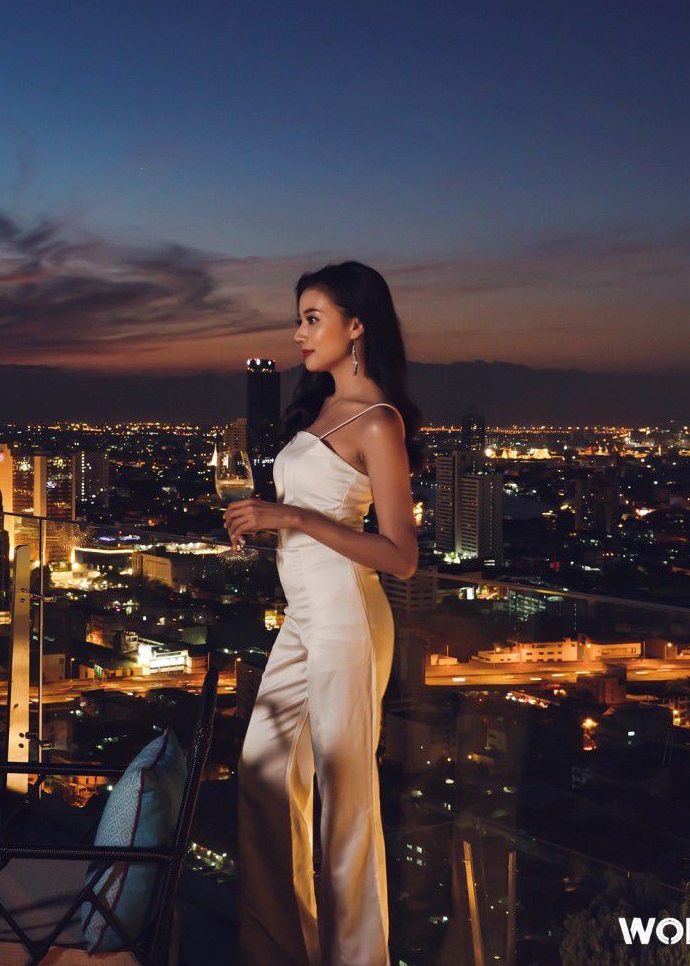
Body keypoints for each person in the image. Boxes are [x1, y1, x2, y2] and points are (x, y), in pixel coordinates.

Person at [226, 261, 421, 966]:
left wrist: (291, 514)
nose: (299, 331)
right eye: (300, 317)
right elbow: (304, 524)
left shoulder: (379, 421)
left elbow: (401, 555)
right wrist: (271, 527)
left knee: (346, 802)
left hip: (347, 617)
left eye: (313, 317)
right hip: (304, 617)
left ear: (356, 325)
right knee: (262, 772)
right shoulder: (318, 412)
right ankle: (282, 949)